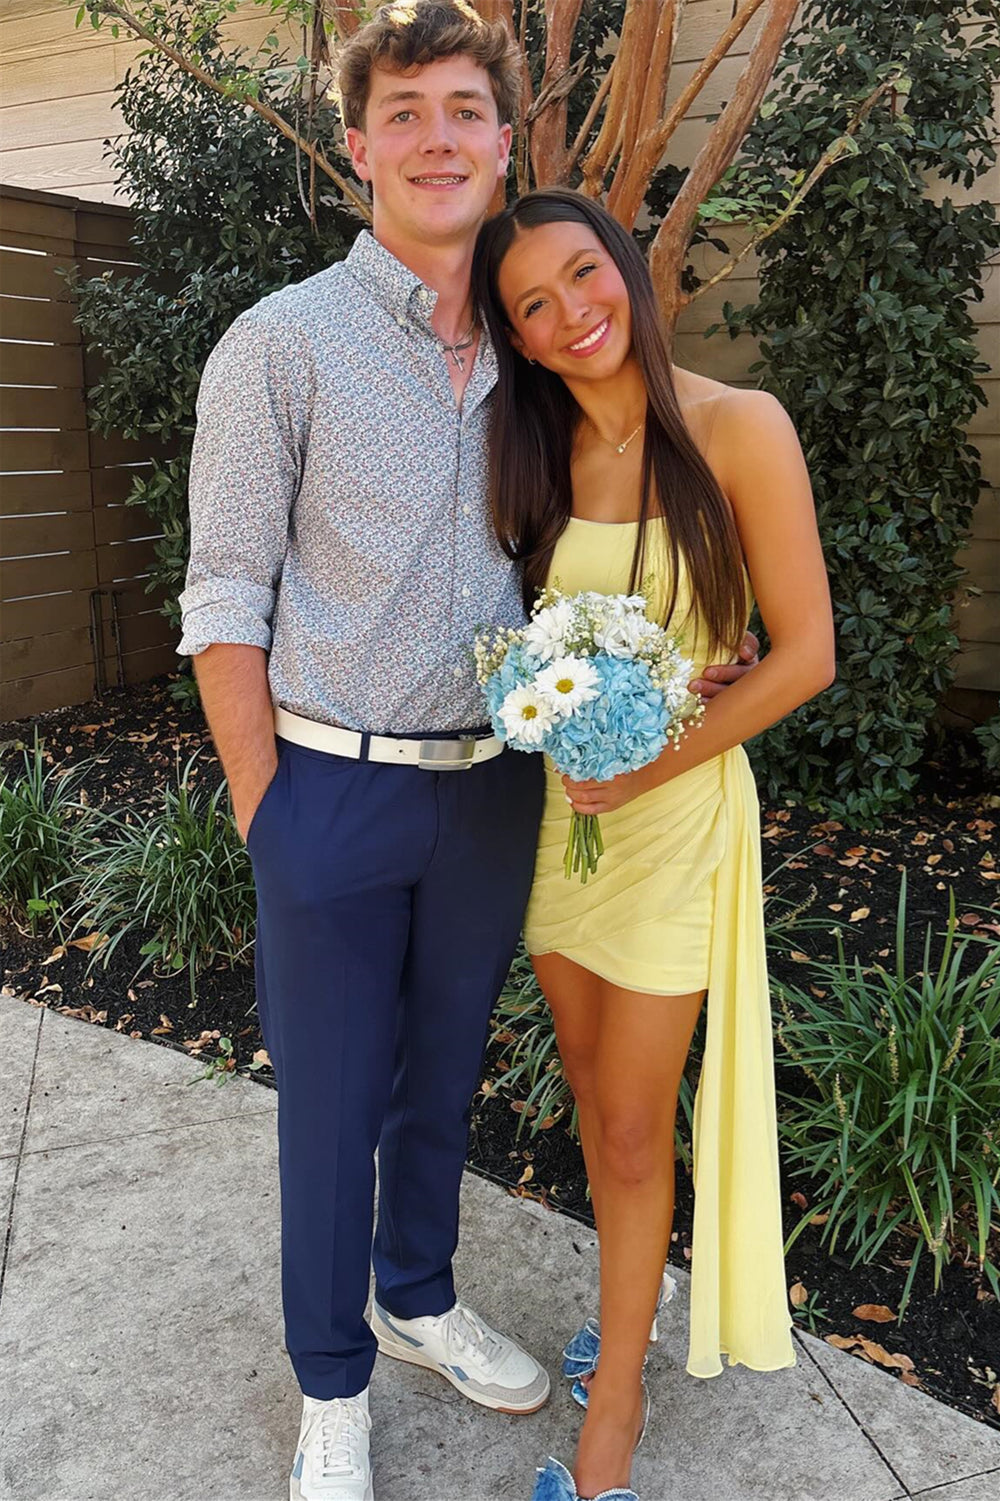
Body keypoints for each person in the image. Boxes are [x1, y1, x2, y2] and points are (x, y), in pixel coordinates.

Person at [178, 6, 757, 1498]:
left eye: (464, 110)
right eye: (407, 112)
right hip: (329, 785)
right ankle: (331, 1380)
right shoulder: (277, 345)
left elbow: (612, 536)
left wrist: (685, 666)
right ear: (359, 148)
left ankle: (418, 1290)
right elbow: (223, 596)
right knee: (328, 1096)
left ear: (506, 145)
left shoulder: (544, 355)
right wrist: (268, 810)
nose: (438, 137)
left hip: (496, 791)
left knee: (439, 1076)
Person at [472, 187, 835, 1501]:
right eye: (534, 305)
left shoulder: (740, 429)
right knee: (595, 1091)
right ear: (515, 335)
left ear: (624, 263)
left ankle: (613, 1407)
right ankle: (617, 1321)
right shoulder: (533, 457)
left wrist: (655, 754)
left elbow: (805, 655)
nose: (574, 313)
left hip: (675, 819)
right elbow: (523, 647)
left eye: (585, 274)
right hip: (567, 832)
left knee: (632, 1125)